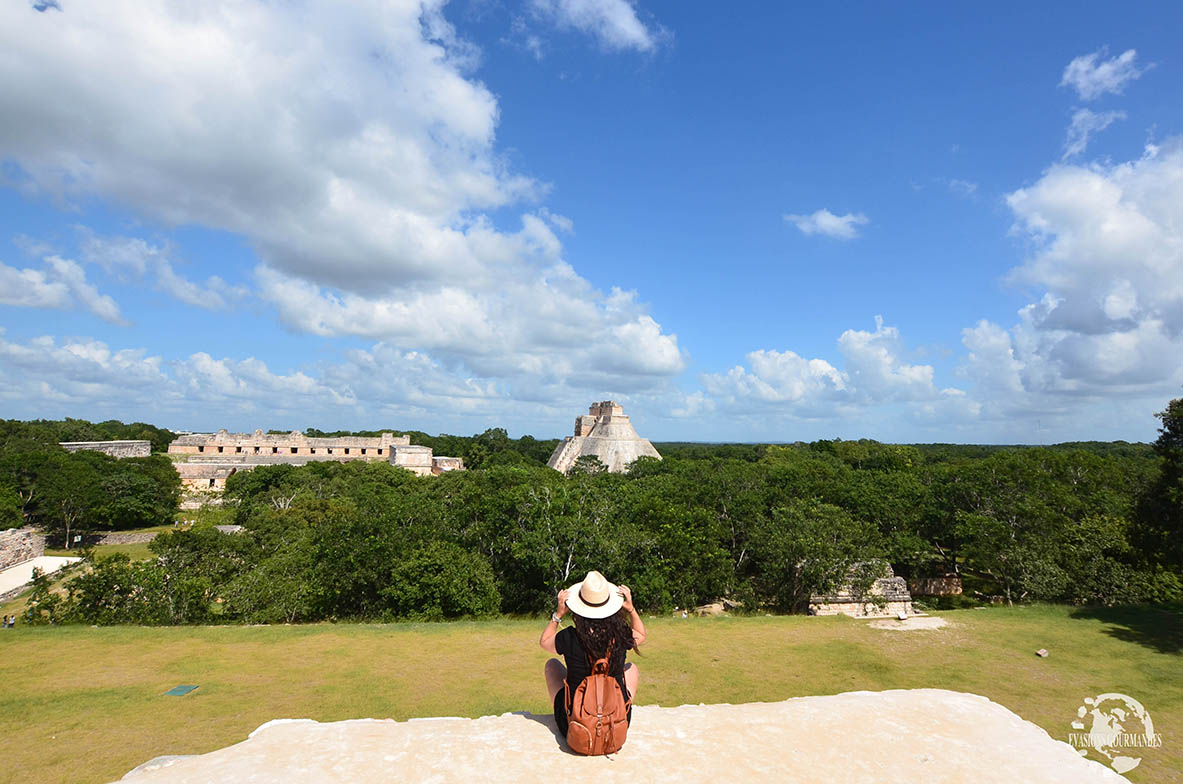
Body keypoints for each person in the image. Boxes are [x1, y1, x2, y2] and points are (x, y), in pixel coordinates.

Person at [539, 570, 646, 739]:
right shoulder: (620, 634)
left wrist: (558, 615)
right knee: (631, 669)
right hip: (616, 722)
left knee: (552, 665)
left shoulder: (570, 637)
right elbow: (641, 634)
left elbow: (545, 642)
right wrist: (631, 609)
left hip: (575, 725)